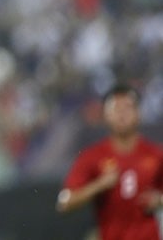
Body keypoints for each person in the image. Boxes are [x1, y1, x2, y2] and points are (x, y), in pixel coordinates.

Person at [56, 83, 163, 240]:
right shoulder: (92, 156)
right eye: (115, 109)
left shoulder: (155, 154)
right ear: (105, 115)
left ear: (138, 113)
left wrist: (160, 200)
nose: (122, 115)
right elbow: (64, 202)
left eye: (127, 108)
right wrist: (99, 185)